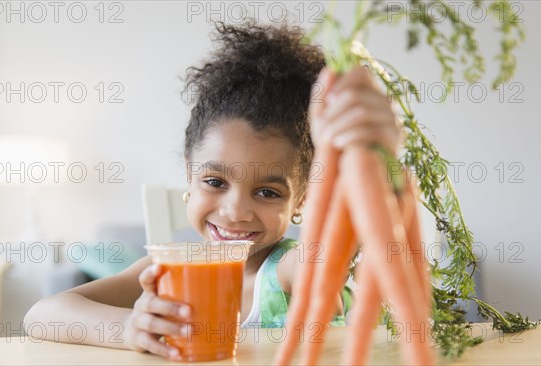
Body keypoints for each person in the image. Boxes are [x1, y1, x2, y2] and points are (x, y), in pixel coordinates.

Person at [24, 20, 403, 361]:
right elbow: (42, 316)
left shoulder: (290, 269)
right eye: (215, 182)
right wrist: (129, 328)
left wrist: (368, 159)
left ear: (303, 199)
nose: (236, 211)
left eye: (268, 192)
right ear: (189, 176)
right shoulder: (168, 271)